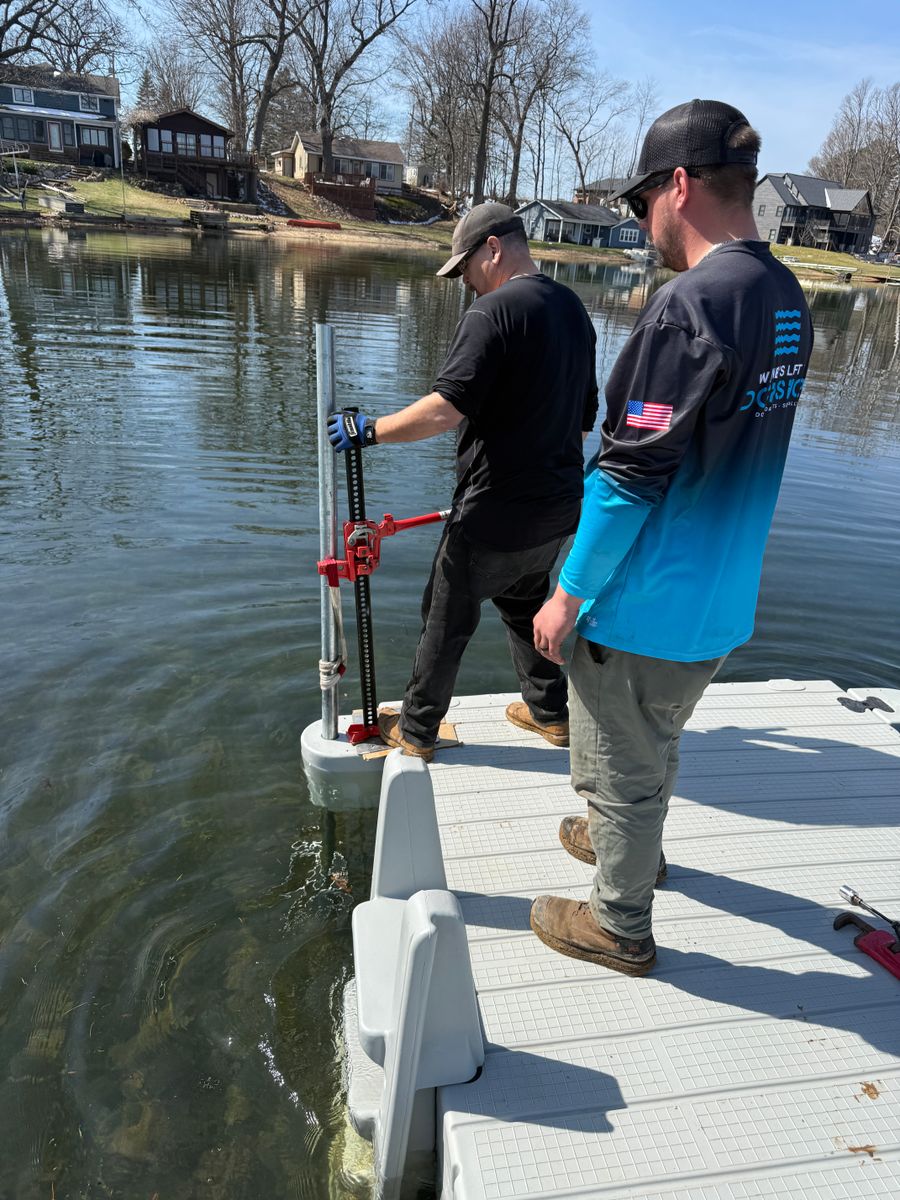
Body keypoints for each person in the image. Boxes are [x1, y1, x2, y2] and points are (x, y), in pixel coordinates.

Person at [529, 99, 815, 975]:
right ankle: (632, 842)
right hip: (719, 602)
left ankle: (619, 922)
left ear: (679, 186)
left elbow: (626, 477)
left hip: (644, 607)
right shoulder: (783, 295)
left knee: (621, 756)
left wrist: (568, 592)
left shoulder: (688, 307)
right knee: (655, 737)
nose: (641, 220)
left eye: (642, 199)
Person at [328, 202, 598, 762]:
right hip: (558, 509)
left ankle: (419, 730)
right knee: (523, 604)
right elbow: (581, 422)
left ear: (493, 249)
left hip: (494, 510)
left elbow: (445, 410)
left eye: (467, 270)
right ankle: (551, 714)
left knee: (445, 615)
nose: (468, 286)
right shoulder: (574, 311)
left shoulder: (492, 313)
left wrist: (368, 430)